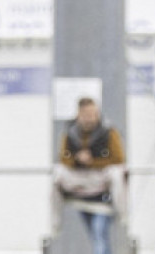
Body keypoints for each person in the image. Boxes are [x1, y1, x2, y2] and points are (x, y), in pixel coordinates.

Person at [52, 97, 126, 254]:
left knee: (99, 234)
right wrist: (78, 160)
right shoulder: (70, 132)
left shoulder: (109, 132)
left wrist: (92, 161)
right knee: (97, 235)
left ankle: (124, 216)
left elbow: (119, 158)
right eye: (86, 115)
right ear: (79, 115)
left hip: (102, 190)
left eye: (93, 114)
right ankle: (54, 224)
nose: (90, 119)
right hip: (80, 188)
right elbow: (63, 158)